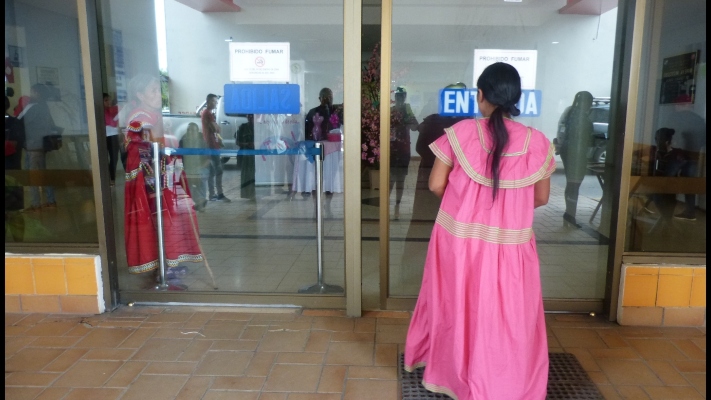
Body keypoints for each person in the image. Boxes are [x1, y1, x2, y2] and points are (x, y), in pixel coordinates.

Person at [404, 62, 554, 399]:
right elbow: (541, 197)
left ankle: (453, 375)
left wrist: (471, 204)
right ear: (517, 98)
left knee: (457, 304)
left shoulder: (460, 133)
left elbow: (436, 185)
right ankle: (505, 381)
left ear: (480, 95)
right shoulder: (538, 142)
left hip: (458, 239)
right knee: (509, 314)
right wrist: (505, 210)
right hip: (512, 245)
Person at [123, 74, 203, 286]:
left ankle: (167, 261)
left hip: (160, 176)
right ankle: (161, 267)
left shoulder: (151, 115)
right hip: (150, 180)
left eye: (160, 91)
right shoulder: (140, 117)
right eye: (153, 91)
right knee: (159, 219)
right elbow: (152, 145)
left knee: (167, 219)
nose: (159, 95)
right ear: (140, 95)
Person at [18, 83, 59, 211]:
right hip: (42, 145)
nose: (31, 94)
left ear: (37, 93)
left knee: (32, 175)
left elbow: (21, 122)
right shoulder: (44, 107)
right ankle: (51, 200)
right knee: (43, 173)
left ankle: (35, 203)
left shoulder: (33, 107)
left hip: (33, 145)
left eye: (32, 91)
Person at [558, 91, 593, 228]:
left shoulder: (570, 113)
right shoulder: (582, 118)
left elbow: (562, 132)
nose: (590, 105)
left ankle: (569, 214)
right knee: (574, 186)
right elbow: (585, 139)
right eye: (589, 102)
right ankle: (570, 215)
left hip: (567, 151)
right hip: (577, 154)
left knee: (571, 184)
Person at [650, 127, 698, 221]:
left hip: (668, 188)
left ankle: (668, 220)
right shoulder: (656, 151)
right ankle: (667, 219)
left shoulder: (677, 155)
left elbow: (669, 175)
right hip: (661, 186)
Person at [390, 86, 419, 219]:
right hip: (391, 148)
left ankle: (397, 204)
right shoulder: (390, 111)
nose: (400, 99)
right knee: (389, 178)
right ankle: (386, 203)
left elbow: (415, 128)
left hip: (403, 148)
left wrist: (409, 119)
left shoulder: (408, 111)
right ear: (395, 98)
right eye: (398, 96)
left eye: (402, 96)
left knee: (401, 178)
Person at [201, 93, 231, 203]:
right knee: (218, 170)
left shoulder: (207, 114)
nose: (216, 103)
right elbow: (216, 129)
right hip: (211, 146)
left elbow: (216, 130)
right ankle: (219, 193)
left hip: (213, 145)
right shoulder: (207, 114)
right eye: (214, 101)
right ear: (209, 102)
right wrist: (217, 128)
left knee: (212, 171)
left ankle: (213, 194)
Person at [180, 122, 210, 211]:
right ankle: (200, 201)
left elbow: (208, 159)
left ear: (197, 131)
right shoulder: (183, 141)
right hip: (188, 168)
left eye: (192, 130)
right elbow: (179, 157)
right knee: (186, 181)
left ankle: (200, 202)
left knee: (200, 178)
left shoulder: (203, 142)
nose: (190, 132)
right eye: (188, 130)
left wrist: (198, 168)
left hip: (202, 167)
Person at [236, 114, 256, 200]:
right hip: (245, 155)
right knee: (246, 175)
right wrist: (247, 144)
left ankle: (255, 193)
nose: (251, 118)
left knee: (256, 174)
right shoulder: (243, 127)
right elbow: (237, 142)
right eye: (249, 116)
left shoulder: (260, 127)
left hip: (256, 155)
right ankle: (248, 194)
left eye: (252, 116)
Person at [104, 93, 120, 185]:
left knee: (114, 158)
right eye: (106, 100)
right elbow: (112, 123)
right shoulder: (102, 111)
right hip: (104, 136)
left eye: (109, 99)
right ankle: (106, 178)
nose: (109, 102)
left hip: (114, 136)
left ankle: (112, 178)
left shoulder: (113, 110)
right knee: (103, 158)